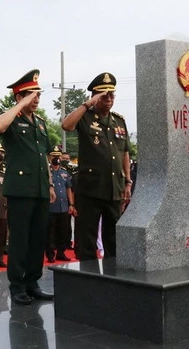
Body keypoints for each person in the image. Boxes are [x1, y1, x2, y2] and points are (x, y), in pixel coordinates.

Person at [0, 69, 55, 305]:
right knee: (20, 239)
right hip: (20, 189)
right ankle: (17, 285)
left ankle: (32, 282)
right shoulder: (10, 118)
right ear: (19, 97)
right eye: (31, 95)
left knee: (38, 237)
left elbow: (44, 156)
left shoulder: (40, 123)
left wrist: (49, 183)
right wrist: (22, 104)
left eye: (38, 95)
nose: (36, 99)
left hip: (39, 188)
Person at [61, 72, 131, 260]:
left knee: (113, 239)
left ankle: (113, 280)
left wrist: (128, 182)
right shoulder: (85, 117)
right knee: (87, 240)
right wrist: (87, 104)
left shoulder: (119, 121)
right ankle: (88, 282)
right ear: (95, 97)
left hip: (113, 189)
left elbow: (125, 152)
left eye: (111, 95)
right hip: (90, 189)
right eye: (103, 95)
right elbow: (66, 126)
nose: (108, 99)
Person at [46, 146, 75, 262]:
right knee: (50, 232)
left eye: (58, 156)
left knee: (63, 231)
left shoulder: (64, 172)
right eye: (54, 156)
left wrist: (71, 204)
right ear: (50, 157)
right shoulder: (47, 172)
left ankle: (61, 252)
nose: (56, 158)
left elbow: (69, 188)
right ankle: (50, 254)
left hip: (63, 206)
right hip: (50, 206)